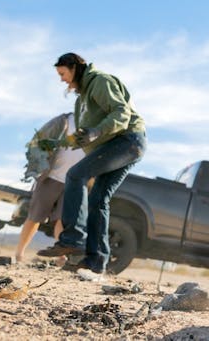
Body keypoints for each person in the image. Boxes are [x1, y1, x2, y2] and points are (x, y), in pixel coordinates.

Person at [37, 53, 146, 280]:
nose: (62, 80)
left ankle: (73, 238)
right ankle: (96, 262)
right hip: (120, 146)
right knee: (98, 198)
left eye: (62, 73)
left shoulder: (100, 81)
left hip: (127, 141)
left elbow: (121, 113)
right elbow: (81, 137)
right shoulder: (81, 101)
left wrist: (97, 131)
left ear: (74, 68)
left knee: (75, 175)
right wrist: (56, 143)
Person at [15, 112, 84, 263]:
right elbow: (39, 139)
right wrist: (38, 163)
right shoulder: (64, 120)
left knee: (61, 220)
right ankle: (19, 254)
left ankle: (60, 256)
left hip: (73, 181)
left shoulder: (96, 126)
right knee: (35, 217)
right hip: (50, 176)